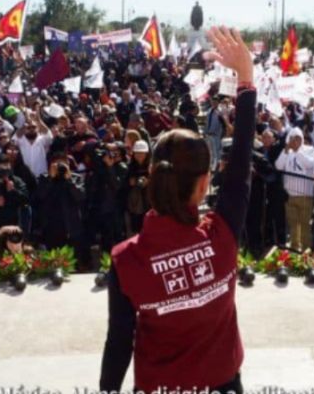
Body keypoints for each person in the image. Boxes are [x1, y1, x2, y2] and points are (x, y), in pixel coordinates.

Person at [100, 26, 255, 393]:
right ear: (205, 184)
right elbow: (241, 168)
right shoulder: (224, 234)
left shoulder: (126, 261)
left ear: (152, 174)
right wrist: (246, 80)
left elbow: (119, 343)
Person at [275, 127, 314, 251]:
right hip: (290, 195)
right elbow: (278, 166)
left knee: (305, 225)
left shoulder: (309, 150)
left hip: (305, 195)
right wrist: (286, 151)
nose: (295, 141)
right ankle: (294, 250)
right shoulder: (287, 152)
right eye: (292, 138)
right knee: (293, 225)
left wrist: (298, 150)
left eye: (298, 138)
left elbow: (309, 164)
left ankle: (306, 250)